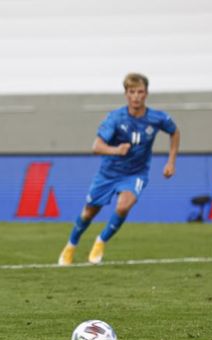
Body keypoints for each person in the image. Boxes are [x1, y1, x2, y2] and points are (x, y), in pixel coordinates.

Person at [58, 73, 181, 265]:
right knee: (89, 213)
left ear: (146, 93)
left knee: (124, 206)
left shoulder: (157, 118)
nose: (136, 96)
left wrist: (171, 161)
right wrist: (116, 150)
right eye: (132, 92)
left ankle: (101, 241)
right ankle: (71, 245)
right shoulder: (115, 118)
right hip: (109, 173)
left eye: (140, 92)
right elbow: (96, 146)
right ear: (126, 94)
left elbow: (174, 132)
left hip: (136, 173)